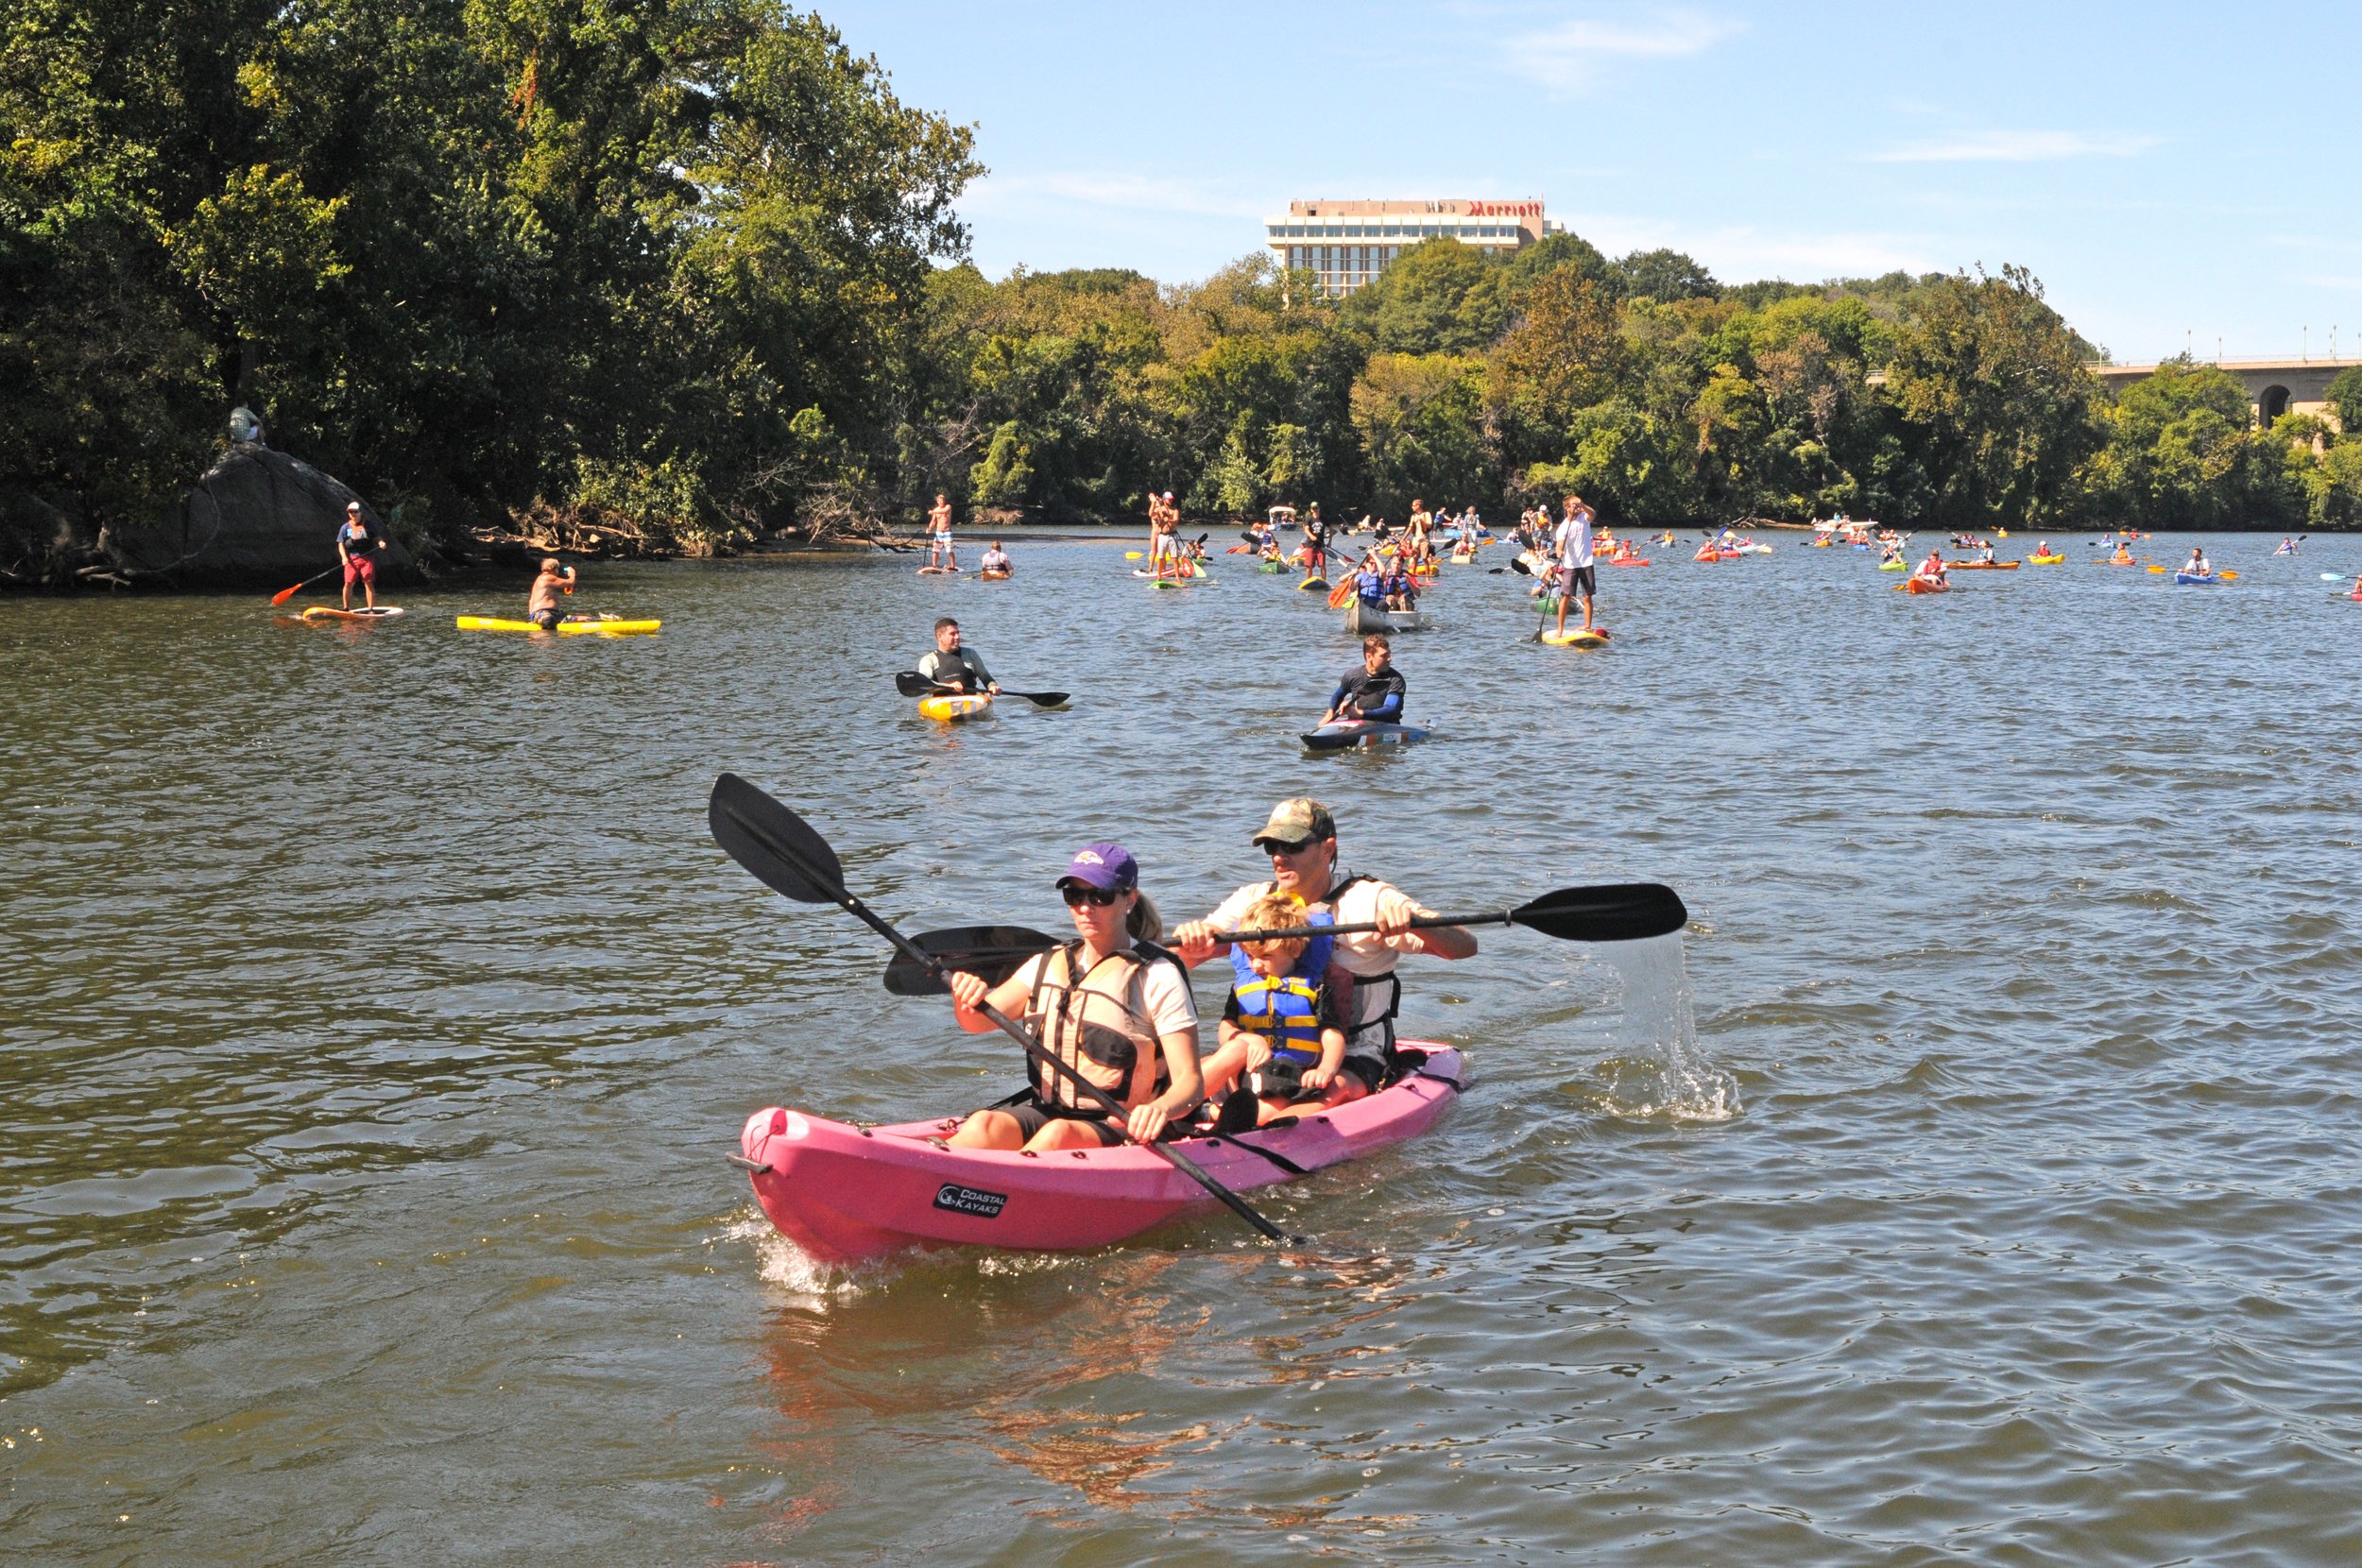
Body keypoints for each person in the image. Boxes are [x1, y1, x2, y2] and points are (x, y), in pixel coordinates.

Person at [1173, 798, 1477, 1097]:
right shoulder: (1252, 902)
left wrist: (1414, 922)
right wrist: (1193, 939)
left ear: (1327, 848)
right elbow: (1181, 960)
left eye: (1292, 846)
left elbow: (1463, 947)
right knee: (1177, 1076)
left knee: (1331, 1092)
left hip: (1353, 1052)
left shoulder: (1370, 899)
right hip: (1262, 1049)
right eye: (1272, 847)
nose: (1279, 857)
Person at [944, 844, 1203, 1150]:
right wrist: (966, 999)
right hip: (1050, 1112)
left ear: (1129, 898)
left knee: (1059, 1135)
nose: (1084, 908)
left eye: (1100, 896)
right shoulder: (1047, 963)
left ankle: (995, 1190)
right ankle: (934, 1176)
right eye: (1074, 896)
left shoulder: (1157, 975)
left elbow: (1190, 1082)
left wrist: (1160, 1109)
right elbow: (975, 1023)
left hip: (1123, 1125)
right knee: (984, 1124)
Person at [1201, 891, 1352, 1129]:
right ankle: (1183, 1101)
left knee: (1270, 1103)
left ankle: (1220, 1118)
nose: (1255, 965)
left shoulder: (1315, 988)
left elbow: (1333, 1037)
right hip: (1244, 1070)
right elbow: (1226, 1026)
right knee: (1223, 1053)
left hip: (1286, 1075)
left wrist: (1326, 1069)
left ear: (1294, 950)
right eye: (1249, 956)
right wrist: (1246, 1038)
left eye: (1265, 956)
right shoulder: (1245, 987)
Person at [1323, 634, 1405, 726]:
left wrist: (1360, 713)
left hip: (1386, 726)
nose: (1389, 659)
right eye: (1384, 655)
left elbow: (1391, 709)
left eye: (1389, 654)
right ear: (1369, 656)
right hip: (1357, 725)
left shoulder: (1396, 679)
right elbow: (1338, 694)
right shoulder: (1352, 675)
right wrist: (1330, 713)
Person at [1550, 493, 1598, 636]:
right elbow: (1559, 545)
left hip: (1586, 562)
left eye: (1578, 505)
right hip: (1571, 565)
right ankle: (1560, 629)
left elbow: (1593, 514)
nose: (1578, 508)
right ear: (1567, 508)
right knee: (1565, 596)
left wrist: (1582, 504)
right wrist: (1559, 552)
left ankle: (1588, 627)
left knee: (1587, 596)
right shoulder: (1563, 528)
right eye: (1574, 506)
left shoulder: (1584, 518)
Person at [916, 617, 999, 694]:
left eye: (958, 633)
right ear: (939, 636)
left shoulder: (970, 654)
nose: (957, 637)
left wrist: (993, 686)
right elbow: (925, 683)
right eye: (952, 634)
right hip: (941, 703)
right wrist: (948, 686)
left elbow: (987, 678)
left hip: (971, 700)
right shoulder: (929, 660)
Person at [335, 500, 381, 611]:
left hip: (367, 558)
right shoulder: (345, 527)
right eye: (350, 512)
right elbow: (340, 544)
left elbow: (377, 538)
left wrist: (381, 543)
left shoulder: (369, 525)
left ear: (360, 512)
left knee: (368, 582)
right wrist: (344, 558)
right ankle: (346, 608)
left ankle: (370, 609)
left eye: (355, 512)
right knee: (348, 582)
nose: (353, 514)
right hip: (352, 559)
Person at [527, 555, 576, 630]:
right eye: (557, 569)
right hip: (545, 615)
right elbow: (570, 582)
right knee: (548, 622)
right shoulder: (548, 578)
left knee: (584, 619)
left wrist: (532, 617)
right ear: (554, 569)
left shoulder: (539, 579)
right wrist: (572, 573)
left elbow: (531, 601)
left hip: (544, 614)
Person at [926, 493, 956, 571]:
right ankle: (934, 565)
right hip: (938, 532)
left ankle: (953, 566)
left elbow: (944, 511)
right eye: (940, 501)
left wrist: (932, 512)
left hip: (947, 532)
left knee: (949, 549)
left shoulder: (948, 507)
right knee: (936, 549)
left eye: (942, 500)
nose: (941, 502)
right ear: (937, 501)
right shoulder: (936, 510)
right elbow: (933, 521)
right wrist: (929, 528)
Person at [1301, 503, 1330, 579]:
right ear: (1311, 510)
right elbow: (1306, 529)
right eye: (1313, 508)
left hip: (1321, 546)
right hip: (1310, 546)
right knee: (1309, 565)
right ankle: (1309, 581)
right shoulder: (1309, 519)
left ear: (1319, 508)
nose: (1315, 510)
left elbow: (1332, 529)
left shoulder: (1323, 518)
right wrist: (1311, 536)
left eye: (1316, 508)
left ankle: (1324, 581)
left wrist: (1330, 542)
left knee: (1322, 565)